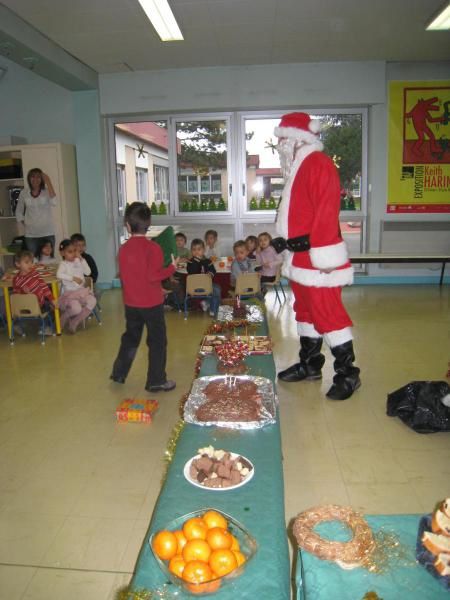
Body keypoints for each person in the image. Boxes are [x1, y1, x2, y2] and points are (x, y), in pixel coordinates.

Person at [272, 112, 360, 401]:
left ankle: (349, 374)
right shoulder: (298, 167)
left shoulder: (318, 164)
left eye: (283, 139)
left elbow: (325, 214)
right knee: (306, 313)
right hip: (299, 259)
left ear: (299, 138)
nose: (281, 145)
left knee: (329, 316)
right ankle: (310, 365)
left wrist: (327, 260)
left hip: (319, 258)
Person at [111, 202, 178, 392]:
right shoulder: (153, 248)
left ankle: (119, 373)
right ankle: (156, 380)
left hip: (131, 304)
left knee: (131, 338)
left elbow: (128, 276)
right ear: (148, 225)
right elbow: (153, 276)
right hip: (151, 304)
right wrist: (172, 268)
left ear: (128, 226)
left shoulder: (123, 249)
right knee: (157, 341)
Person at [57, 239, 96, 333]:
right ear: (62, 253)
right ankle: (65, 316)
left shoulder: (78, 261)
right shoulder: (63, 264)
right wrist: (72, 278)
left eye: (75, 251)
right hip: (70, 294)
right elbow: (59, 275)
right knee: (76, 309)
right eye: (70, 252)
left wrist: (82, 260)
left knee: (92, 301)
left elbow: (88, 272)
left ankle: (75, 322)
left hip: (81, 291)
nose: (73, 254)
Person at [15, 168, 57, 255]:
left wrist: (48, 181)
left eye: (38, 177)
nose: (35, 179)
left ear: (42, 179)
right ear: (29, 179)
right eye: (32, 177)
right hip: (31, 235)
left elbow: (54, 202)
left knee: (48, 263)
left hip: (47, 233)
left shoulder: (46, 191)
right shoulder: (24, 193)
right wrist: (25, 223)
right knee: (32, 263)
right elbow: (18, 211)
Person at [187, 239, 221, 317]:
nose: (196, 252)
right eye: (194, 249)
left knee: (217, 289)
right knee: (214, 290)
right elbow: (192, 271)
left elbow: (213, 270)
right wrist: (197, 260)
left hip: (207, 285)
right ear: (191, 251)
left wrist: (210, 273)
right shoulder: (190, 262)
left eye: (199, 249)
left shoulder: (207, 261)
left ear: (204, 250)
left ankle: (212, 308)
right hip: (195, 287)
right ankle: (208, 303)